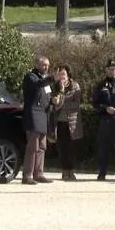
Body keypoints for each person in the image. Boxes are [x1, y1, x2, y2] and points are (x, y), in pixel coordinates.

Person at [21, 56, 53, 185]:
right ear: (37, 65)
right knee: (33, 146)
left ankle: (39, 173)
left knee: (42, 146)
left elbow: (48, 95)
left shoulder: (45, 80)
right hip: (33, 114)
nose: (46, 67)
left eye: (48, 65)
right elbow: (37, 85)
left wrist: (54, 99)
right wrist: (51, 79)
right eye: (44, 65)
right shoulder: (31, 77)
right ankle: (27, 175)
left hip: (44, 115)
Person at [50, 65, 83, 181]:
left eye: (63, 74)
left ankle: (71, 170)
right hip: (59, 121)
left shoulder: (75, 86)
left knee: (71, 148)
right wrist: (61, 91)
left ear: (68, 74)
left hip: (72, 122)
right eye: (59, 74)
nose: (61, 76)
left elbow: (76, 103)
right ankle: (64, 171)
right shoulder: (55, 86)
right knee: (62, 147)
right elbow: (54, 103)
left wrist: (62, 103)